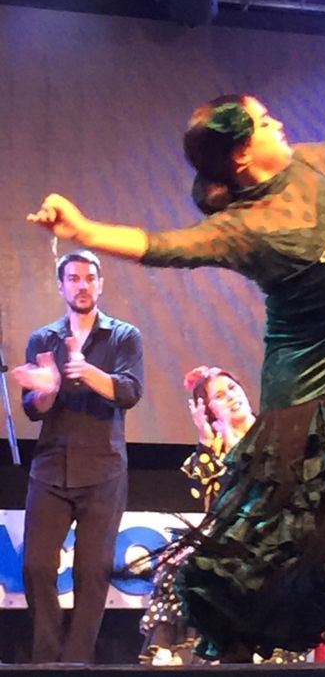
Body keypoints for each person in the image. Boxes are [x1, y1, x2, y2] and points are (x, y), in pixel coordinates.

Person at [25, 94, 325, 662]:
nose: (279, 123)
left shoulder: (306, 161)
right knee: (284, 513)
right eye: (264, 122)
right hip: (307, 374)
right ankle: (236, 622)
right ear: (242, 155)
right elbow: (161, 247)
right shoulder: (243, 227)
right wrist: (83, 229)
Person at [11, 250, 143, 664]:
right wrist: (46, 390)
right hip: (50, 468)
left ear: (100, 285)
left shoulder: (124, 336)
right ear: (61, 286)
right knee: (36, 566)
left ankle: (75, 662)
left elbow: (130, 391)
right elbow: (33, 409)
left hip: (103, 469)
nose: (82, 285)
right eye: (73, 278)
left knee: (93, 572)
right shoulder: (43, 339)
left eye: (89, 278)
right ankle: (46, 660)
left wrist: (86, 371)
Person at [140, 365, 255, 666]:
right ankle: (166, 645)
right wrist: (208, 440)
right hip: (223, 535)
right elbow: (202, 494)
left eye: (232, 388)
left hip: (267, 531)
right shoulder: (211, 449)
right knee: (178, 562)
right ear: (208, 410)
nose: (231, 397)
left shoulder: (270, 433)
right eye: (220, 395)